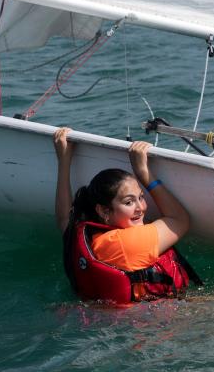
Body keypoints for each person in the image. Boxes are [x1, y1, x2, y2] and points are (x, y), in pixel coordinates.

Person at [54, 127, 201, 303]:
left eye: (141, 197)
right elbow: (179, 220)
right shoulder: (126, 244)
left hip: (106, 318)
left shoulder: (86, 235)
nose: (141, 208)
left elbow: (64, 218)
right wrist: (144, 174)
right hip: (154, 321)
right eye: (129, 202)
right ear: (103, 211)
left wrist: (63, 161)